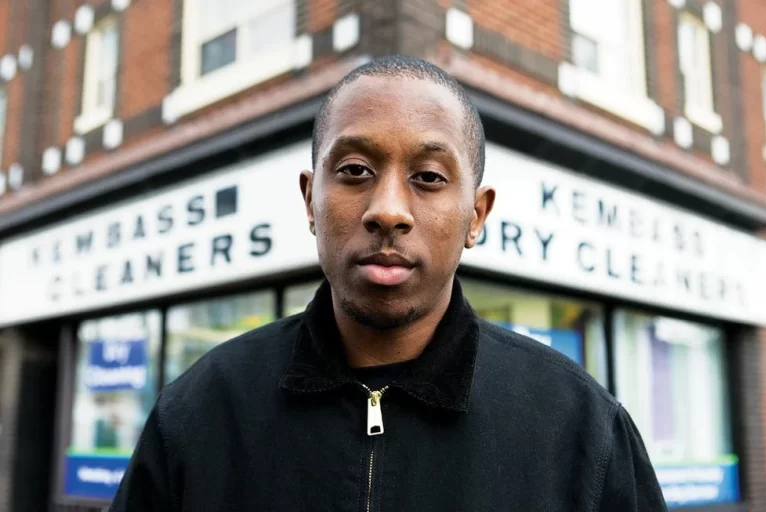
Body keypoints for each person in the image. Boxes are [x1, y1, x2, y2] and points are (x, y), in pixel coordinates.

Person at [109, 55, 667, 512]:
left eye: (428, 178)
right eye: (354, 170)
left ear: (476, 215)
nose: (388, 210)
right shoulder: (200, 411)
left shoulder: (580, 430)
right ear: (310, 199)